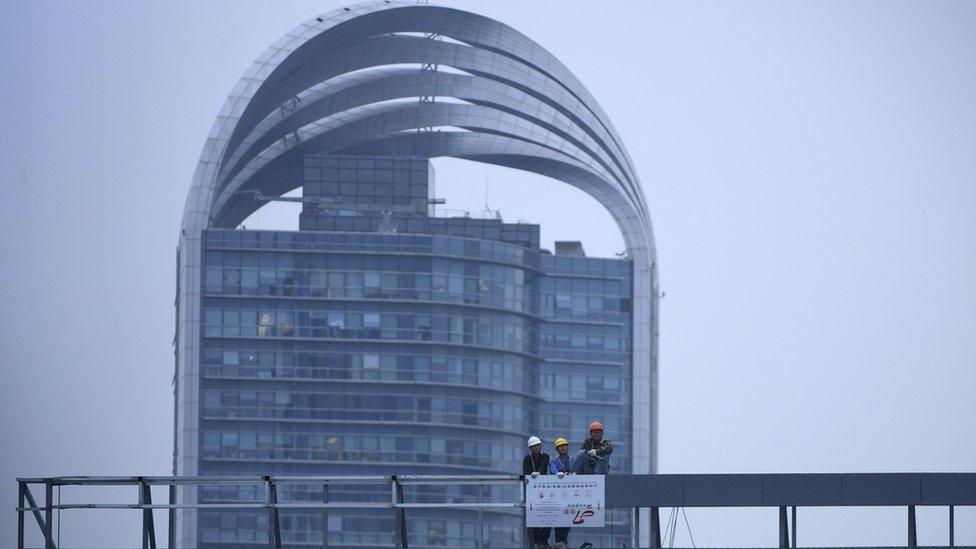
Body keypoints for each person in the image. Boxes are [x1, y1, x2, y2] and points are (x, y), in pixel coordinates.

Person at [522, 436, 551, 548]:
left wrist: (538, 472)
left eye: (537, 446)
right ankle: (538, 542)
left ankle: (545, 541)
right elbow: (526, 471)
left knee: (547, 515)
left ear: (540, 446)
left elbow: (544, 467)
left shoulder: (545, 456)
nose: (536, 448)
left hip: (545, 491)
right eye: (533, 447)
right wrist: (531, 474)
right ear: (530, 448)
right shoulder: (527, 459)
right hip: (532, 492)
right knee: (534, 516)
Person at [548, 438, 573, 549]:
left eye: (564, 445)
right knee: (559, 516)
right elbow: (553, 471)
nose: (563, 447)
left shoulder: (572, 460)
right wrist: (562, 474)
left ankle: (564, 540)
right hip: (558, 494)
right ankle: (559, 541)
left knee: (569, 516)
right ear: (557, 449)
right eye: (560, 446)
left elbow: (577, 470)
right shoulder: (554, 461)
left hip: (572, 493)